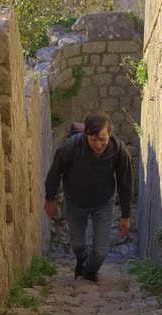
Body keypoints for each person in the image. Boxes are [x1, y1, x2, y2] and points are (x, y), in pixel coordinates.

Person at [44, 112, 132, 282]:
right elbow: (54, 173)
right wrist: (50, 199)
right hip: (75, 202)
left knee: (100, 252)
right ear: (86, 135)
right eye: (93, 140)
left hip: (103, 203)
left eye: (103, 139)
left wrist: (125, 216)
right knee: (77, 245)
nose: (98, 145)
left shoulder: (119, 151)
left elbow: (125, 184)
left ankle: (88, 271)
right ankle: (83, 263)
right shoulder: (70, 148)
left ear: (110, 133)